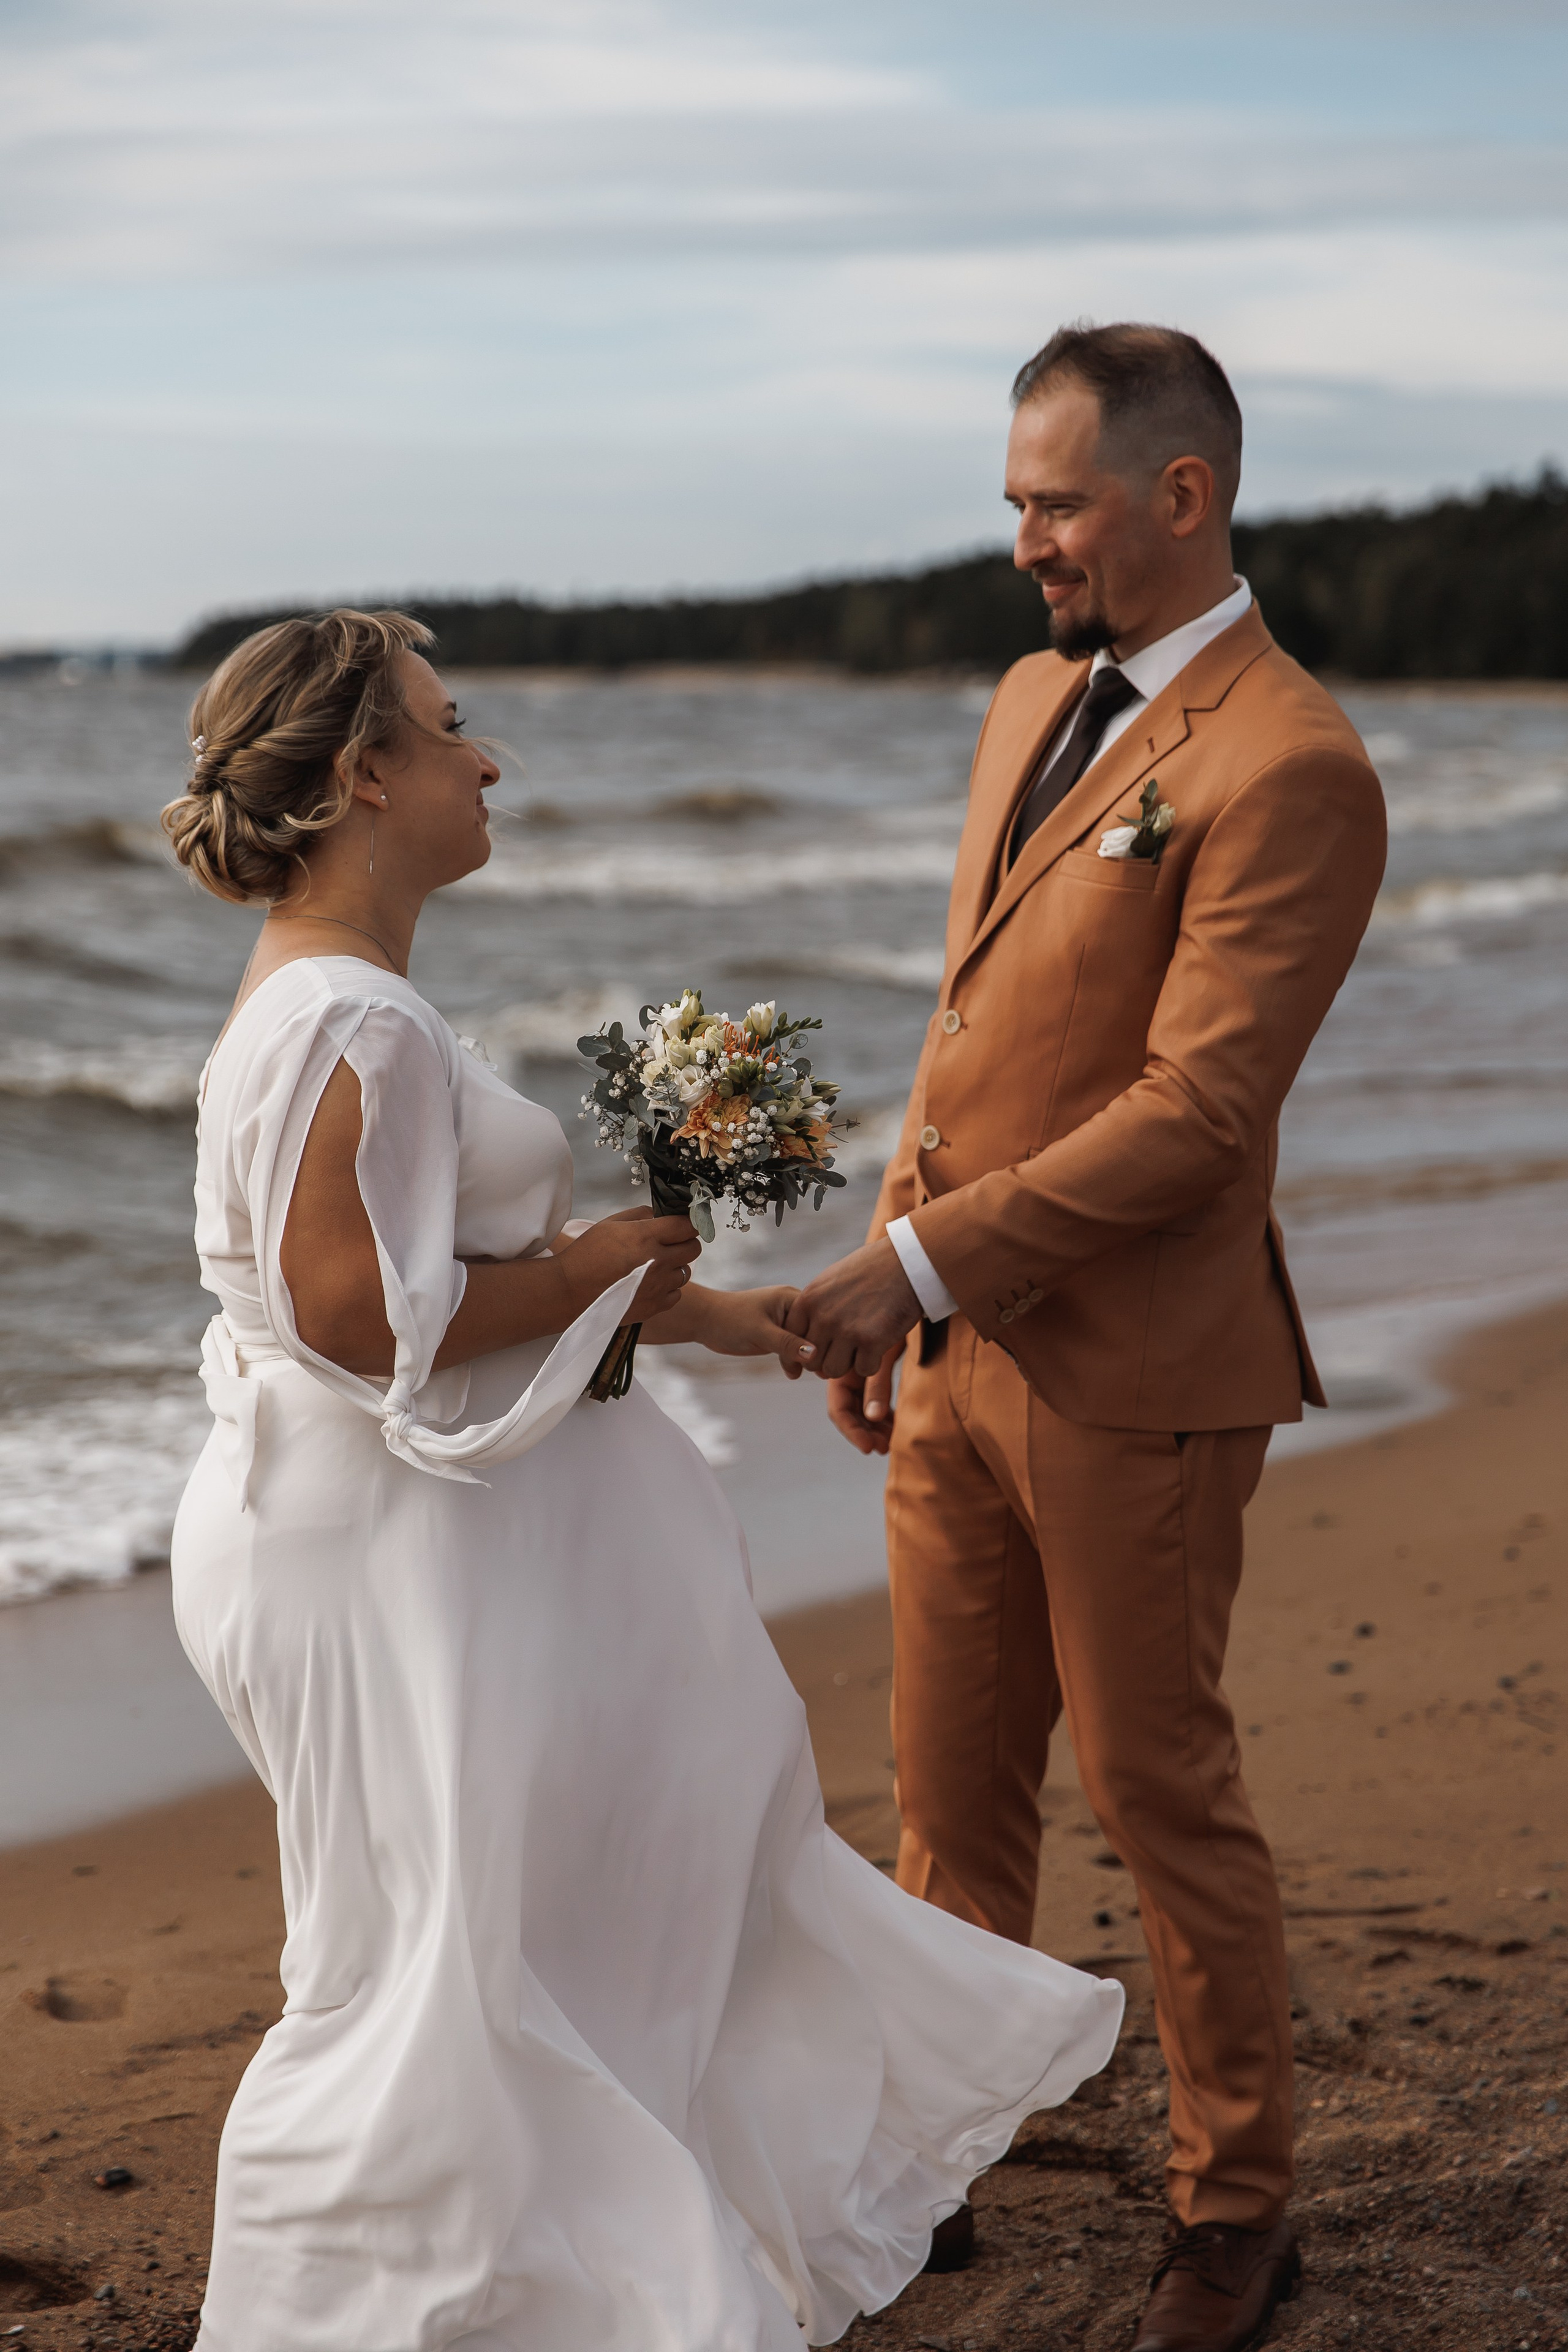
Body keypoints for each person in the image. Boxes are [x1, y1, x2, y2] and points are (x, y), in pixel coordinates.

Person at [163, 608, 1123, 2352]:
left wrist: (738, 1321)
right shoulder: (351, 1018)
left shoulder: (334, 999)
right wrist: (603, 1251)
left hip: (398, 1542)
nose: (487, 759)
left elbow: (467, 1307)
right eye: (452, 729)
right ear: (367, 774)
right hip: (386, 1559)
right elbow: (351, 1313)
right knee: (433, 1967)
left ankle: (568, 2274)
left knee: (531, 1922)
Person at [784, 325, 1387, 2352]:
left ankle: (1238, 2210)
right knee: (947, 1794)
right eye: (1017, 498)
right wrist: (897, 1269)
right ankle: (940, 2157)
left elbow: (1203, 1113)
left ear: (1181, 497)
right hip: (957, 1361)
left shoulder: (1292, 759)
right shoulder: (1032, 698)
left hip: (1145, 1374)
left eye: (1055, 501)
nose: (1024, 538)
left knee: (1159, 1791)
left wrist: (923, 1265)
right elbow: (974, 1036)